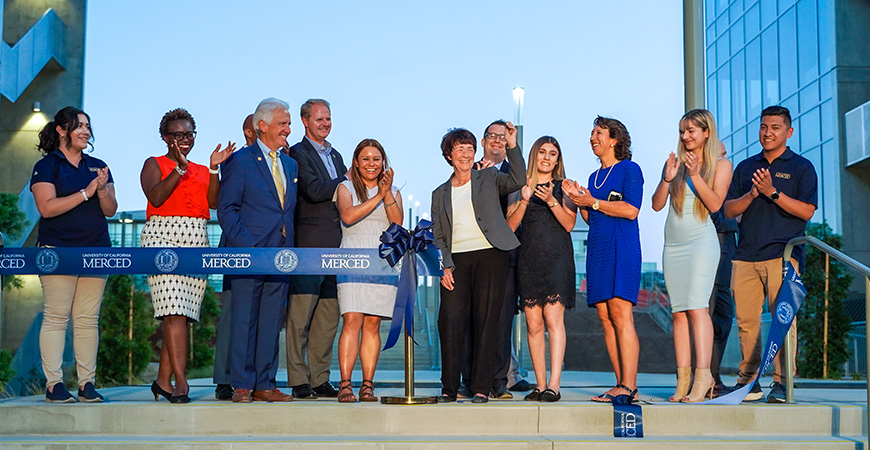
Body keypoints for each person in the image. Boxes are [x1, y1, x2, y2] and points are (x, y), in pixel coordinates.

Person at [141, 108, 235, 403]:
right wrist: (178, 170)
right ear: (165, 137)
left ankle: (162, 381)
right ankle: (181, 383)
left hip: (196, 238)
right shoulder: (153, 164)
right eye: (177, 134)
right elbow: (155, 197)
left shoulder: (200, 169)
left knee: (182, 314)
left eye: (189, 134)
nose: (183, 139)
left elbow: (214, 202)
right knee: (172, 311)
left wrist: (215, 170)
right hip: (162, 237)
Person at [724, 106, 817, 403]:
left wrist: (773, 192)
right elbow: (728, 210)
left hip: (783, 255)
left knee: (783, 320)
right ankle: (749, 380)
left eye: (775, 127)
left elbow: (806, 212)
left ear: (788, 132)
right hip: (746, 255)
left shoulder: (802, 167)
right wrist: (753, 193)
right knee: (747, 322)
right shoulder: (745, 167)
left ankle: (782, 382)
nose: (767, 132)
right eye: (764, 127)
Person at [431, 124, 525, 404]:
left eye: (470, 148)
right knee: (449, 321)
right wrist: (444, 266)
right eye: (460, 149)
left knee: (487, 322)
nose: (466, 153)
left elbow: (519, 178)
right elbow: (438, 234)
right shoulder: (439, 193)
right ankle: (449, 387)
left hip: (490, 255)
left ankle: (482, 387)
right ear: (449, 154)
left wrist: (512, 145)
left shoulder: (489, 177)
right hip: (457, 261)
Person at [30, 106, 118, 402]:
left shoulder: (98, 165)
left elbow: (110, 210)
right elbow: (47, 207)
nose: (85, 131)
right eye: (79, 126)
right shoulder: (47, 166)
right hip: (57, 252)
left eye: (88, 126)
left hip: (95, 251)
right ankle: (54, 385)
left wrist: (102, 189)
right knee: (56, 317)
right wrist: (85, 193)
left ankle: (86, 384)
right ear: (61, 129)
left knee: (87, 319)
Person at [217, 98, 297, 403]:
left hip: (281, 258)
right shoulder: (239, 161)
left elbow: (286, 213)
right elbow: (227, 210)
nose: (288, 130)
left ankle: (265, 383)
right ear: (262, 126)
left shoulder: (291, 164)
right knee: (244, 321)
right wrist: (249, 248)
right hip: (248, 256)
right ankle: (242, 384)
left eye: (288, 123)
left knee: (271, 322)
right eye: (282, 124)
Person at [650, 109, 732, 402]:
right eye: (683, 131)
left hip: (701, 243)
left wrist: (696, 176)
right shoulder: (675, 164)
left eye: (691, 131)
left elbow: (715, 204)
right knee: (678, 313)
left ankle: (703, 376)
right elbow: (657, 205)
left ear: (706, 133)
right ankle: (682, 379)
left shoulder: (721, 165)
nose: (685, 136)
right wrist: (666, 179)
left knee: (697, 308)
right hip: (673, 245)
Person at [563, 116, 643, 403]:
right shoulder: (593, 178)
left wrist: (592, 202)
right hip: (598, 248)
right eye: (592, 133)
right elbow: (591, 216)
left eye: (599, 133)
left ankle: (630, 386)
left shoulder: (630, 169)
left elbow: (631, 210)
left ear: (614, 140)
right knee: (605, 317)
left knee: (621, 314)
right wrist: (577, 198)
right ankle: (619, 382)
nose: (592, 137)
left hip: (622, 247)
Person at [506, 136, 576, 402]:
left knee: (553, 320)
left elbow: (569, 224)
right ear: (534, 155)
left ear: (558, 160)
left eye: (553, 153)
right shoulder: (520, 186)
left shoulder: (564, 186)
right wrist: (525, 200)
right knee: (533, 324)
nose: (547, 157)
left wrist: (550, 200)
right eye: (543, 152)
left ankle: (554, 385)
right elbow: (511, 226)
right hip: (529, 259)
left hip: (557, 259)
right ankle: (540, 384)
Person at [286, 99, 347, 400]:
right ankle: (298, 379)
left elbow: (345, 194)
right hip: (309, 248)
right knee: (300, 317)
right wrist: (348, 181)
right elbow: (313, 189)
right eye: (319, 119)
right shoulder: (297, 153)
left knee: (327, 317)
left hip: (337, 247)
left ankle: (320, 378)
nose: (325, 123)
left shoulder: (335, 155)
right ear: (305, 121)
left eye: (328, 118)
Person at [334, 139, 403, 403]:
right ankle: (345, 384)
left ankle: (367, 385)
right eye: (366, 159)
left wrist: (385, 193)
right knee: (351, 318)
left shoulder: (393, 191)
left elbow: (396, 223)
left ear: (383, 162)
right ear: (356, 161)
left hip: (382, 262)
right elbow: (348, 217)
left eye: (376, 159)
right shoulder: (345, 187)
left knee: (372, 323)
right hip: (351, 258)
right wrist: (376, 196)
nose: (371, 164)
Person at [213, 114, 256, 400]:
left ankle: (254, 377)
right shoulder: (236, 160)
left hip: (271, 251)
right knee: (232, 316)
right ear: (248, 132)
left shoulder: (284, 161)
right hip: (239, 248)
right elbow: (223, 206)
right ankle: (225, 379)